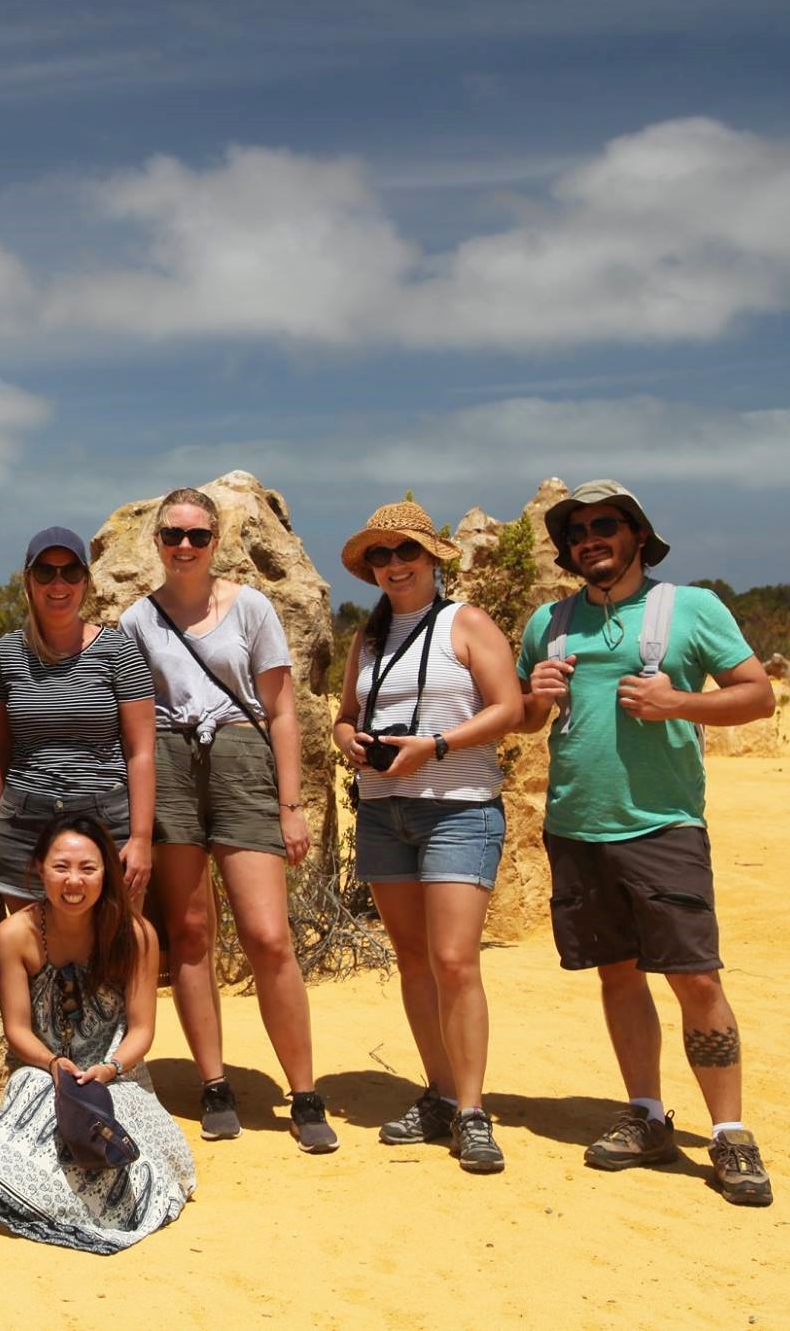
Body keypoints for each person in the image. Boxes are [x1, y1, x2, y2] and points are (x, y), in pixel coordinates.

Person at [516, 481, 777, 1206]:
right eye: (577, 531)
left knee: (695, 976)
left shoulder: (690, 608)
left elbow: (757, 693)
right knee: (617, 973)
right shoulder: (550, 620)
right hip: (576, 824)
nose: (589, 538)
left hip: (662, 824)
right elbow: (529, 719)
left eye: (606, 525)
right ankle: (647, 1114)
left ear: (637, 534)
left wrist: (679, 703)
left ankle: (729, 1130)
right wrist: (536, 694)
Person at [117, 487, 336, 1153]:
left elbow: (283, 710)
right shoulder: (137, 621)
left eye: (197, 535)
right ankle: (214, 1083)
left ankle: (303, 1092)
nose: (184, 546)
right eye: (173, 534)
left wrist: (291, 804)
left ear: (217, 543)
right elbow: (132, 720)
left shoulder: (251, 608)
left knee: (268, 935)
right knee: (189, 931)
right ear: (157, 542)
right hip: (174, 761)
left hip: (242, 755)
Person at [333, 500, 523, 1173]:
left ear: (432, 559)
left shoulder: (465, 623)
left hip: (457, 808)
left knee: (454, 959)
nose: (393, 565)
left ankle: (473, 1109)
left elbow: (510, 709)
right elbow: (345, 714)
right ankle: (439, 1091)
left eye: (405, 552)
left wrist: (433, 745)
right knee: (413, 959)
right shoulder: (370, 635)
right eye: (380, 556)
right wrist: (349, 740)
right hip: (386, 813)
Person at [0, 816, 196, 1253]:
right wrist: (55, 1065)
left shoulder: (136, 935)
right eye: (61, 867)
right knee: (33, 1103)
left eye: (88, 868)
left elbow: (142, 1029)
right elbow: (17, 1029)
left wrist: (109, 1069)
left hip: (120, 1076)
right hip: (43, 1070)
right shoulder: (14, 935)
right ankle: (17, 1195)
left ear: (106, 871)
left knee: (113, 1127)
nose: (74, 881)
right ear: (39, 868)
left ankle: (85, 1209)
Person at [0, 527, 155, 914]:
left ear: (85, 581)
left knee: (115, 951)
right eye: (45, 571)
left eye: (70, 572)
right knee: (34, 952)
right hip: (25, 823)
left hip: (106, 822)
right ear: (28, 579)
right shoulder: (4, 654)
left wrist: (141, 838)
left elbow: (141, 751)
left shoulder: (119, 652)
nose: (58, 583)